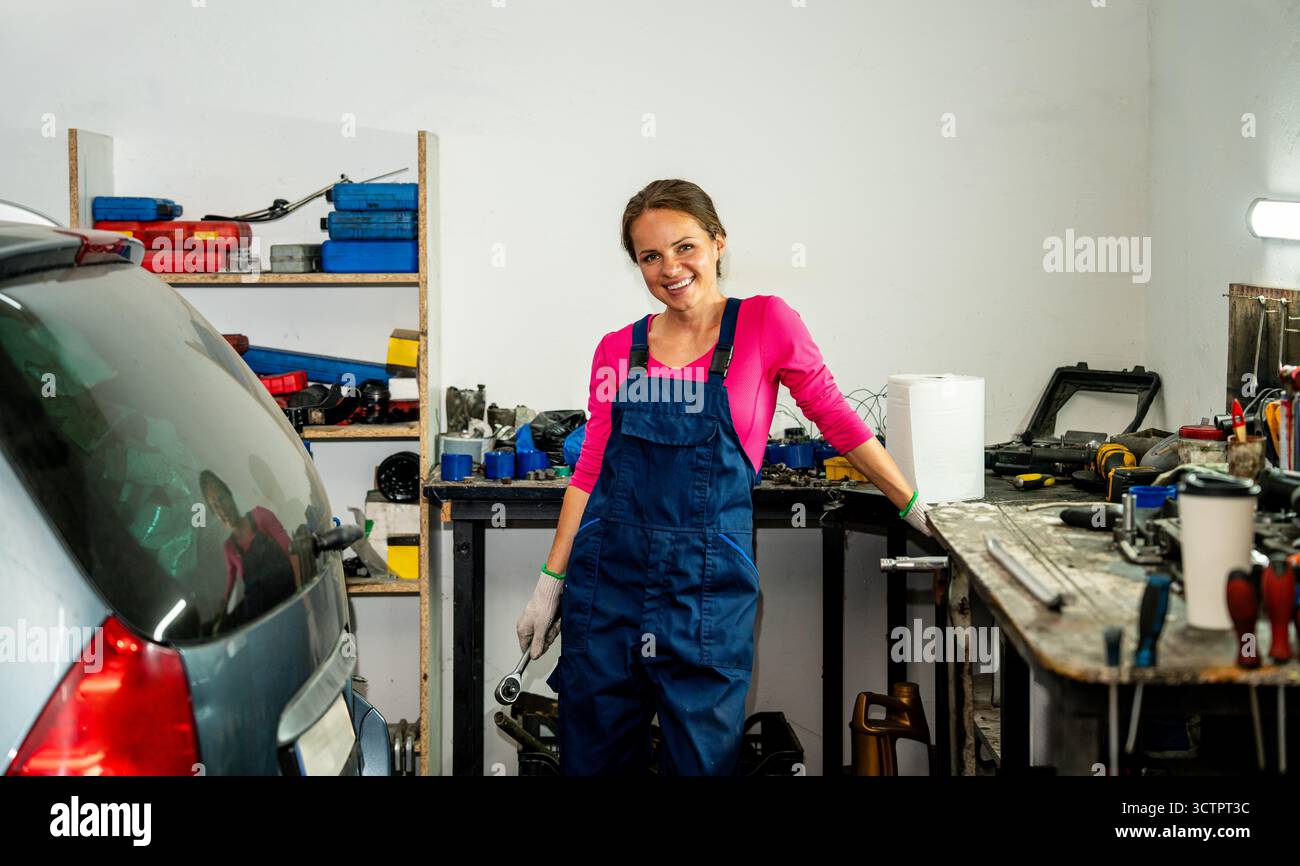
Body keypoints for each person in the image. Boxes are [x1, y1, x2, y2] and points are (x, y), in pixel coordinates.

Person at [516, 179, 931, 775]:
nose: (670, 268)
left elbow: (835, 417)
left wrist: (910, 501)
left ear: (717, 242)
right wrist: (551, 580)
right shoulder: (617, 349)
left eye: (684, 247)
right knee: (594, 758)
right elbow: (590, 467)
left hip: (704, 591)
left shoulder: (765, 324)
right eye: (650, 257)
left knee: (703, 762)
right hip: (608, 585)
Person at [200, 470, 301, 624]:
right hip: (261, 619)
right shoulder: (229, 548)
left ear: (230, 495)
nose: (222, 509)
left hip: (290, 604)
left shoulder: (261, 516)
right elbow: (229, 586)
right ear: (214, 512)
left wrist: (303, 599)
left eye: (221, 498)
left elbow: (292, 552)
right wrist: (218, 616)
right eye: (215, 505)